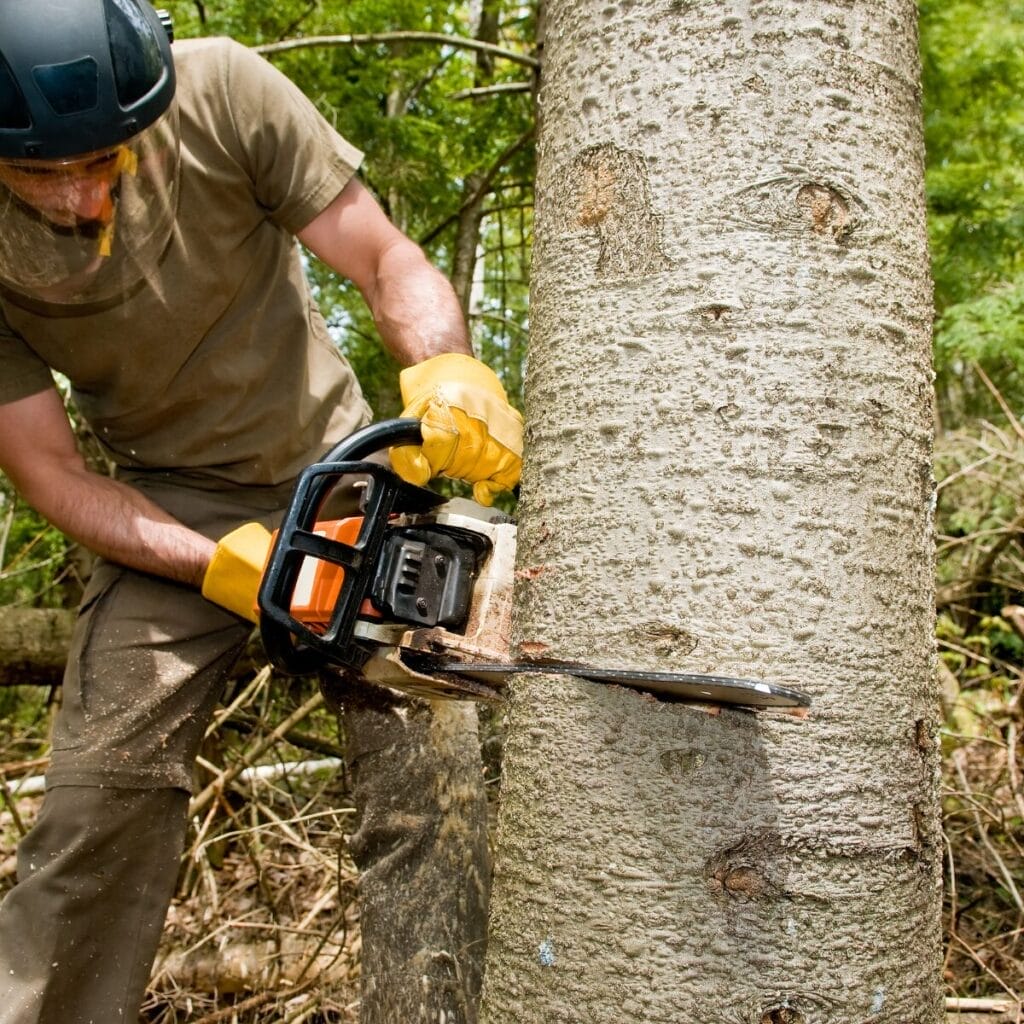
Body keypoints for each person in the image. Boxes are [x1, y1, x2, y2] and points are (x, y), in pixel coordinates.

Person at [0, 2, 521, 1022]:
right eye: (39, 173)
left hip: (338, 476)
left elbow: (384, 259)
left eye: (102, 158)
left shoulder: (224, 91)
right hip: (160, 509)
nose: (76, 190)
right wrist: (212, 564)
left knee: (434, 783)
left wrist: (447, 368)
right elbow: (48, 471)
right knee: (100, 796)